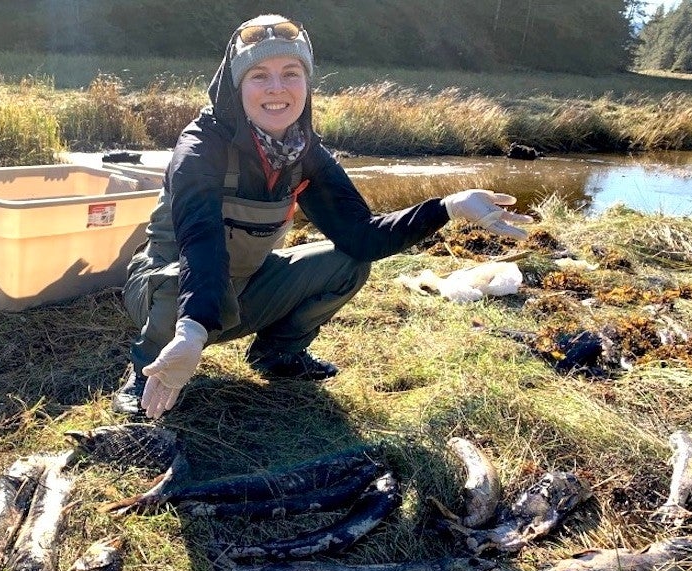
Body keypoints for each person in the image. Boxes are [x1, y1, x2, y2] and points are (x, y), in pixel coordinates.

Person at [112, 14, 531, 419]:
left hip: (245, 285)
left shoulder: (305, 152)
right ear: (237, 85)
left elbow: (362, 235)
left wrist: (447, 207)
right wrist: (193, 329)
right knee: (173, 283)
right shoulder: (201, 146)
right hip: (168, 288)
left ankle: (277, 354)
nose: (277, 88)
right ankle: (145, 371)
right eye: (259, 75)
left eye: (291, 72)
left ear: (307, 83)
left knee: (350, 261)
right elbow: (200, 239)